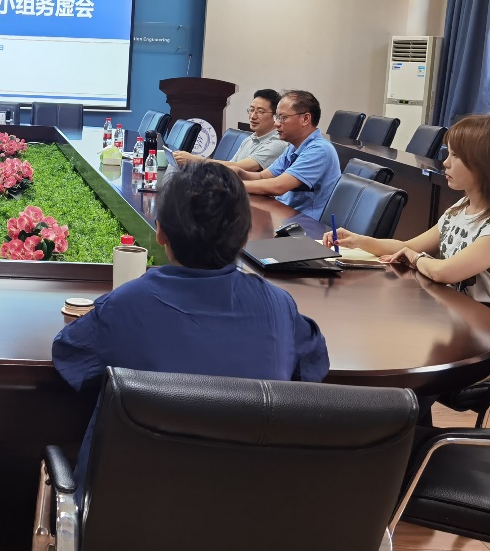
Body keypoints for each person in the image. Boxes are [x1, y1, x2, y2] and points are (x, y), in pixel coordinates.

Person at [53, 160, 329, 499]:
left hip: (129, 518)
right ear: (245, 236)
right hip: (246, 514)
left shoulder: (125, 305)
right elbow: (312, 365)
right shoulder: (278, 306)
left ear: (160, 232)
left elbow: (69, 355)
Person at [324, 114, 490, 329]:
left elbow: (443, 272)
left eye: (456, 156)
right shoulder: (463, 206)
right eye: (448, 153)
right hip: (459, 311)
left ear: (487, 164)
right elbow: (408, 246)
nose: (446, 163)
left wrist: (416, 258)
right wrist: (358, 240)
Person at [229, 89, 341, 219]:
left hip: (306, 223)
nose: (276, 123)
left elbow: (278, 186)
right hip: (285, 214)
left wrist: (232, 185)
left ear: (305, 119)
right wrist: (238, 173)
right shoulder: (293, 147)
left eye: (283, 118)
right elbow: (263, 176)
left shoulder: (319, 150)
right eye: (277, 117)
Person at [174, 88, 287, 171]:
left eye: (260, 112)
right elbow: (231, 165)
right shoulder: (250, 138)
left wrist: (195, 160)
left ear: (275, 116)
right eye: (251, 110)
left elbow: (240, 167)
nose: (253, 116)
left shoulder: (277, 143)